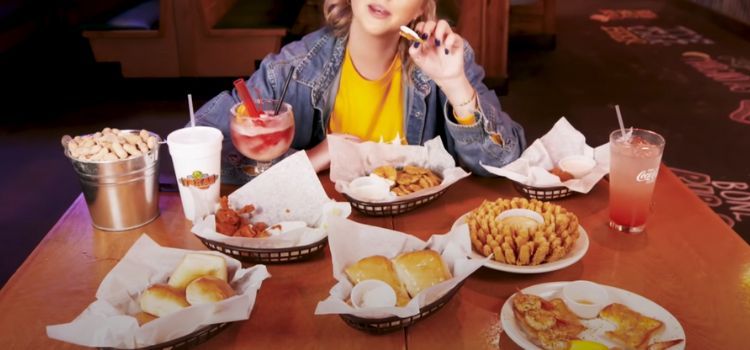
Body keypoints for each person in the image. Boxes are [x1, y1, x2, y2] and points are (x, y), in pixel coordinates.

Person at [194, 0, 526, 184]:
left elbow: (504, 162)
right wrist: (310, 160)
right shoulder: (295, 68)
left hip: (421, 238)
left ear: (423, 9)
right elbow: (199, 148)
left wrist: (454, 84)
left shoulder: (449, 61)